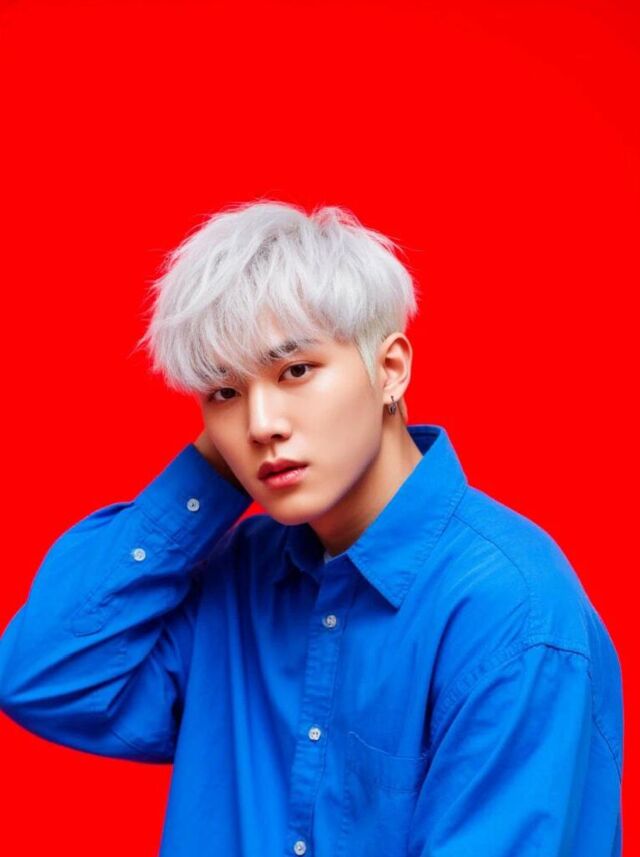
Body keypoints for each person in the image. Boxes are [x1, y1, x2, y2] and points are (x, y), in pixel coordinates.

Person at [0, 200, 623, 856]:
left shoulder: (511, 611)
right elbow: (43, 676)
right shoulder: (237, 577)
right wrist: (211, 476)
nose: (261, 424)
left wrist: (241, 410)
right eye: (224, 392)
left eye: (295, 371)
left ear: (390, 370)